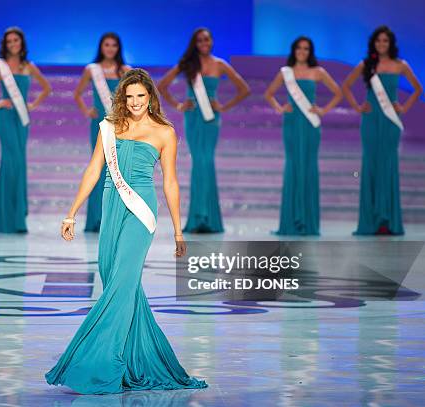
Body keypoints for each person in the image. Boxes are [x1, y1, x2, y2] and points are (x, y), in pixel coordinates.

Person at [45, 68, 208, 394]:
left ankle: (98, 363)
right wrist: (72, 213)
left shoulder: (164, 132)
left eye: (141, 96)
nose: (135, 102)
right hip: (111, 206)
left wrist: (178, 231)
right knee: (119, 283)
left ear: (151, 98)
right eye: (130, 96)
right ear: (123, 97)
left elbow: (171, 183)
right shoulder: (109, 127)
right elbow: (94, 169)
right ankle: (142, 359)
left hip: (141, 213)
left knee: (121, 284)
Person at [158, 27, 250, 233]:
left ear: (212, 41)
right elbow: (162, 85)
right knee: (199, 161)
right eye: (200, 40)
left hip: (211, 118)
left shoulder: (220, 64)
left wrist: (224, 106)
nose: (204, 43)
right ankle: (199, 216)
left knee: (206, 161)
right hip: (193, 117)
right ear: (195, 43)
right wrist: (179, 105)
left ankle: (207, 217)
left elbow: (244, 89)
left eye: (207, 40)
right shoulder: (188, 64)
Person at [342, 26, 423, 235]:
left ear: (391, 43)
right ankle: (371, 221)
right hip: (370, 120)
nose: (381, 44)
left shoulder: (400, 65)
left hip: (390, 121)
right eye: (378, 41)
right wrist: (359, 107)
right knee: (370, 165)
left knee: (388, 164)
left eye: (385, 41)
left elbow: (418, 89)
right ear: (373, 43)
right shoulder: (367, 65)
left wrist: (403, 107)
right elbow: (346, 87)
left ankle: (388, 221)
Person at [0, 27, 51, 233]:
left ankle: (16, 218)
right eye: (9, 41)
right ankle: (5, 219)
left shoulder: (28, 66)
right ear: (5, 44)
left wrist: (32, 105)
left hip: (22, 119)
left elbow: (46, 88)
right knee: (10, 162)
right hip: (6, 118)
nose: (13, 44)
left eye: (16, 40)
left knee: (19, 163)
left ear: (21, 43)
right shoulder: (0, 65)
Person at [264, 36, 342, 235]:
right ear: (294, 50)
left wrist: (323, 110)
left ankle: (308, 222)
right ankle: (290, 222)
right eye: (299, 48)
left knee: (308, 167)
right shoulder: (285, 73)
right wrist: (280, 108)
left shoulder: (318, 72)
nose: (302, 51)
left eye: (306, 49)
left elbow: (338, 93)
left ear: (310, 52)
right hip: (291, 124)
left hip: (310, 126)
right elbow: (269, 94)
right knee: (292, 166)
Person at [73, 32, 130, 232]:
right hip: (100, 125)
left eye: (114, 45)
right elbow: (78, 94)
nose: (110, 48)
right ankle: (97, 218)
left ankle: (114, 219)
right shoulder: (92, 70)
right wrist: (87, 110)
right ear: (101, 47)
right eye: (107, 45)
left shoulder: (125, 71)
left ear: (118, 48)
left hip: (121, 126)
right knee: (99, 168)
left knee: (118, 169)